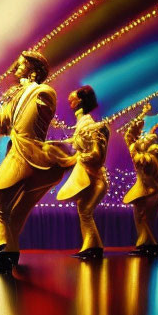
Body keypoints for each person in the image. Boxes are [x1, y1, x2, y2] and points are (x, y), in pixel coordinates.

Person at [0, 50, 70, 274]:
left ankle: (3, 251)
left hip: (31, 156)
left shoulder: (42, 92)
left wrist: (26, 89)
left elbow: (34, 124)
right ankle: (9, 254)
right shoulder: (16, 97)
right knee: (11, 211)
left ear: (34, 70)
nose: (15, 69)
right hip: (18, 156)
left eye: (20, 65)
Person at [55, 86, 110, 260]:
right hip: (90, 175)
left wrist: (81, 157)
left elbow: (96, 154)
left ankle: (92, 248)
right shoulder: (83, 123)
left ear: (80, 100)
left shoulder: (89, 124)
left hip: (97, 178)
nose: (69, 99)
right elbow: (76, 142)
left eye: (73, 97)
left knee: (85, 211)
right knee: (83, 210)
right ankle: (93, 247)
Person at [123, 106, 158, 257]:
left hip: (150, 192)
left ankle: (150, 245)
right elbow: (129, 135)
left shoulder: (146, 158)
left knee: (144, 218)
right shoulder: (142, 152)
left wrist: (142, 116)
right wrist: (142, 115)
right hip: (145, 191)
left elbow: (130, 137)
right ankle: (143, 244)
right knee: (141, 218)